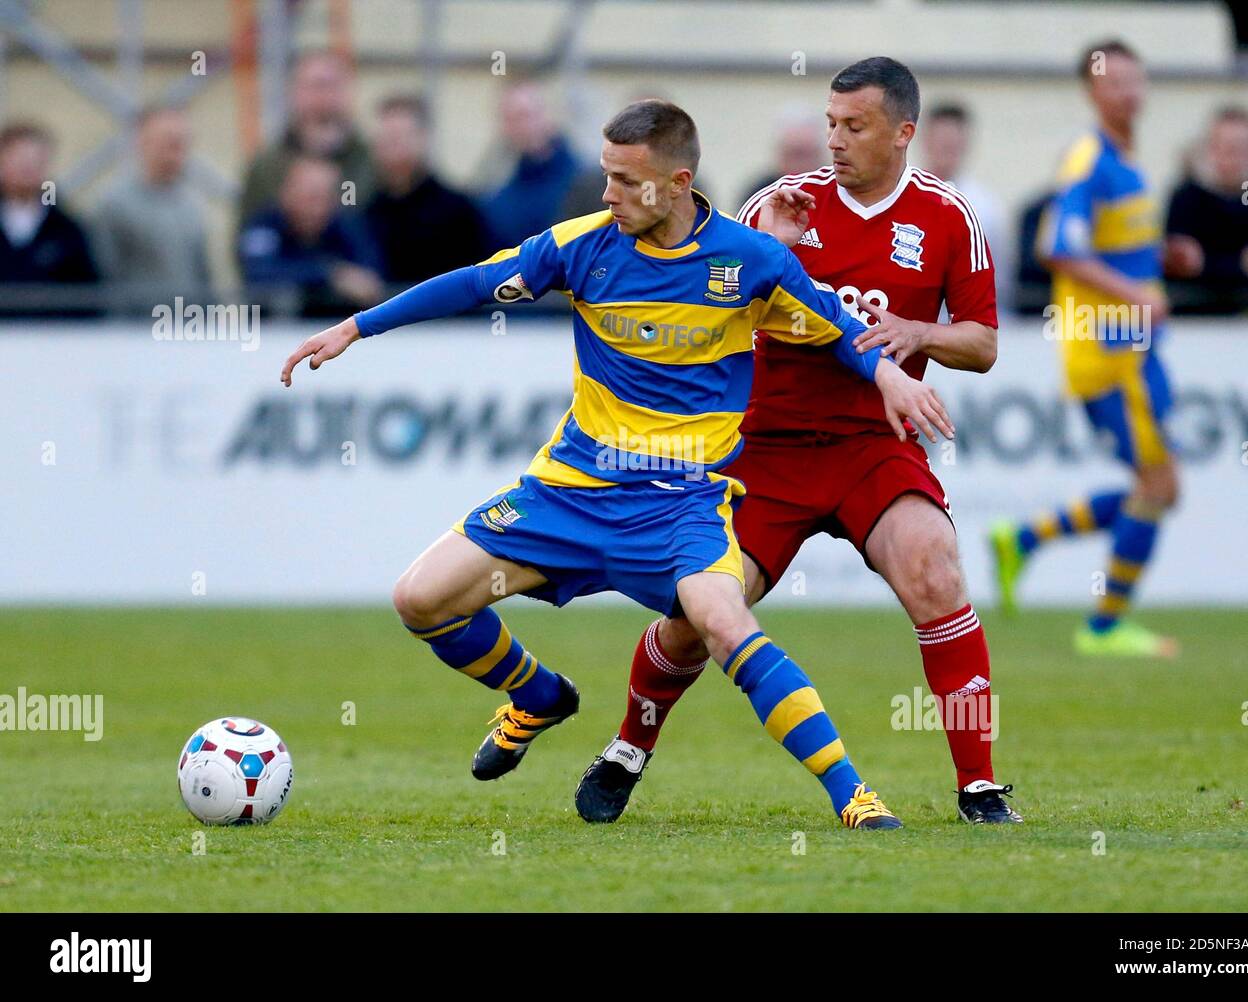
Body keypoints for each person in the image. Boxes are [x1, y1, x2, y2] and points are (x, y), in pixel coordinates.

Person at [281, 99, 952, 831]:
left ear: (677, 182)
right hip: (571, 491)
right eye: (606, 177)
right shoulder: (584, 245)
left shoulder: (749, 260)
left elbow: (839, 328)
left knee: (725, 625)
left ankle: (853, 796)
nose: (609, 195)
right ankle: (539, 696)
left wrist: (890, 377)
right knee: (420, 599)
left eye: (627, 181)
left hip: (682, 504)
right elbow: (476, 281)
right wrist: (355, 326)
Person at [574, 59, 1019, 828]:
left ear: (902, 133)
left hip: (871, 447)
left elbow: (982, 343)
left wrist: (921, 333)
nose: (836, 140)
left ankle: (979, 787)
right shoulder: (779, 207)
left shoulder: (948, 218)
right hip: (765, 452)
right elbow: (706, 307)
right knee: (700, 615)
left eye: (856, 126)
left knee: (936, 571)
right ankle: (627, 747)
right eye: (831, 123)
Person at [990, 40, 1178, 658]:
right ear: (1094, 90)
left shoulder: (1127, 159)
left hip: (1134, 349)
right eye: (1116, 81)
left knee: (1154, 486)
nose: (1130, 91)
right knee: (1158, 484)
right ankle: (1103, 625)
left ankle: (1025, 538)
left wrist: (1165, 260)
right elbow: (1059, 246)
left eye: (1136, 78)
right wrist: (1136, 294)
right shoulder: (1088, 158)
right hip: (1110, 352)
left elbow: (1111, 244)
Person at [1164, 106, 1248, 314]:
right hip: (1194, 312)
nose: (1233, 156)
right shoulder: (1188, 195)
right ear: (1210, 147)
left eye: (1241, 148)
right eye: (1226, 147)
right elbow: (1173, 256)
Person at [237, 50, 375, 228]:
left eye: (331, 85)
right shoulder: (266, 166)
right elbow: (248, 235)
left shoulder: (374, 162)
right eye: (314, 86)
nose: (322, 97)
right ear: (293, 94)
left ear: (348, 93)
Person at [94, 105, 210, 312]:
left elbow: (201, 275)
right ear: (142, 142)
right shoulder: (115, 205)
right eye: (170, 143)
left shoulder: (190, 205)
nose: (177, 152)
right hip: (137, 335)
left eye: (182, 144)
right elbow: (106, 277)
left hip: (188, 334)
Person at [365, 95, 491, 285]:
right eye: (386, 137)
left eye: (400, 136)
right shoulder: (366, 214)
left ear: (423, 138)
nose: (393, 146)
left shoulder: (459, 213)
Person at [239, 155, 383, 317]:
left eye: (325, 199)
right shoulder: (263, 225)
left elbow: (371, 275)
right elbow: (259, 272)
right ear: (287, 193)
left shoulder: (347, 224)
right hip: (275, 330)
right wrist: (330, 275)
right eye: (310, 198)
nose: (317, 209)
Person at [918, 102, 1011, 310]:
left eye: (952, 146)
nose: (946, 152)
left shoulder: (986, 207)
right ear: (924, 141)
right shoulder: (901, 195)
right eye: (941, 143)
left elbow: (1000, 278)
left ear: (965, 145)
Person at [0, 121, 98, 315]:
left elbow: (87, 295)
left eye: (35, 161)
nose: (26, 169)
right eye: (19, 160)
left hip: (51, 339)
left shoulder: (67, 231)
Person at [476, 80, 579, 248]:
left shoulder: (585, 182)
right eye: (511, 119)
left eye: (527, 115)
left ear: (548, 114)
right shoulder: (497, 201)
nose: (523, 126)